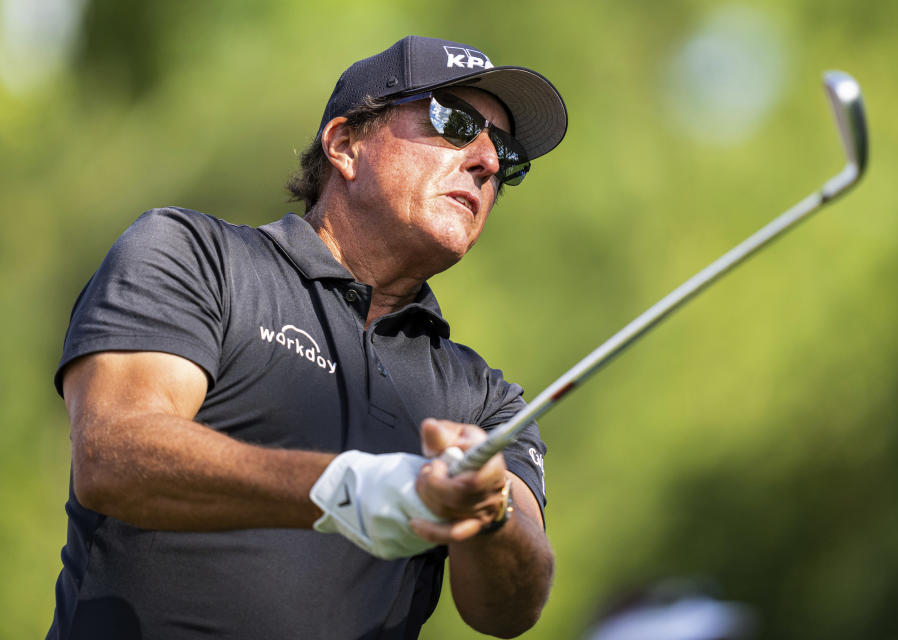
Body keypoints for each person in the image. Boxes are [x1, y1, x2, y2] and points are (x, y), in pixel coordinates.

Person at [47, 35, 567, 640]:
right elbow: (113, 456)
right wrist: (350, 488)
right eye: (454, 122)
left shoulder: (485, 401)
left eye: (506, 150)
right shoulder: (195, 256)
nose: (489, 162)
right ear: (345, 145)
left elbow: (510, 611)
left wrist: (489, 511)